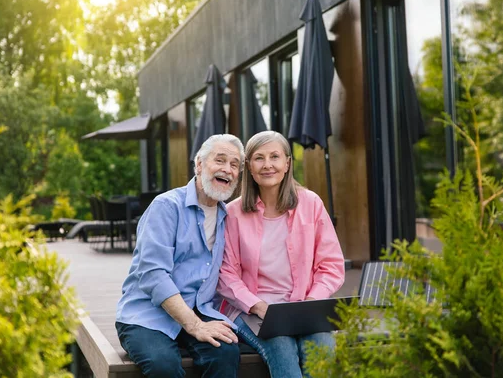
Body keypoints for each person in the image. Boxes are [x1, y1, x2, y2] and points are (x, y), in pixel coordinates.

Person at [217, 130, 345, 378]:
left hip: (305, 306)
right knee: (281, 347)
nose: (268, 165)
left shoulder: (311, 203)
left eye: (275, 157)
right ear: (249, 167)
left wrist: (311, 302)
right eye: (259, 158)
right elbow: (225, 274)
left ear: (287, 163)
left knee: (323, 348)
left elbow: (331, 265)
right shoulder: (232, 213)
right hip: (251, 310)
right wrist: (257, 306)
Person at [116, 134, 245, 378]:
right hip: (147, 314)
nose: (227, 169)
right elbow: (153, 274)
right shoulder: (166, 206)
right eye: (220, 160)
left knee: (226, 353)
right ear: (198, 164)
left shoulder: (226, 216)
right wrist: (194, 325)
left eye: (234, 164)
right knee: (163, 365)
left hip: (199, 309)